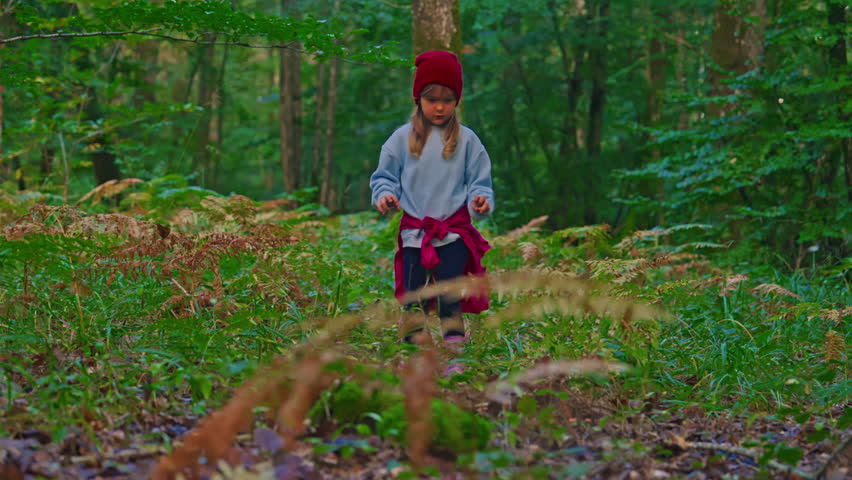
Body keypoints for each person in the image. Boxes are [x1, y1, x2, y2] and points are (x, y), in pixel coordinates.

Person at [369, 50, 494, 344]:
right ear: (418, 99)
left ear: (457, 101)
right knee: (413, 297)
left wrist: (481, 199)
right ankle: (413, 351)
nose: (439, 107)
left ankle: (454, 351)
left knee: (450, 294)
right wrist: (385, 194)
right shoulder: (400, 140)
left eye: (447, 100)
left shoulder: (468, 141)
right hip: (415, 234)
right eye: (431, 99)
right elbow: (385, 177)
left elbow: (480, 182)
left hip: (453, 234)